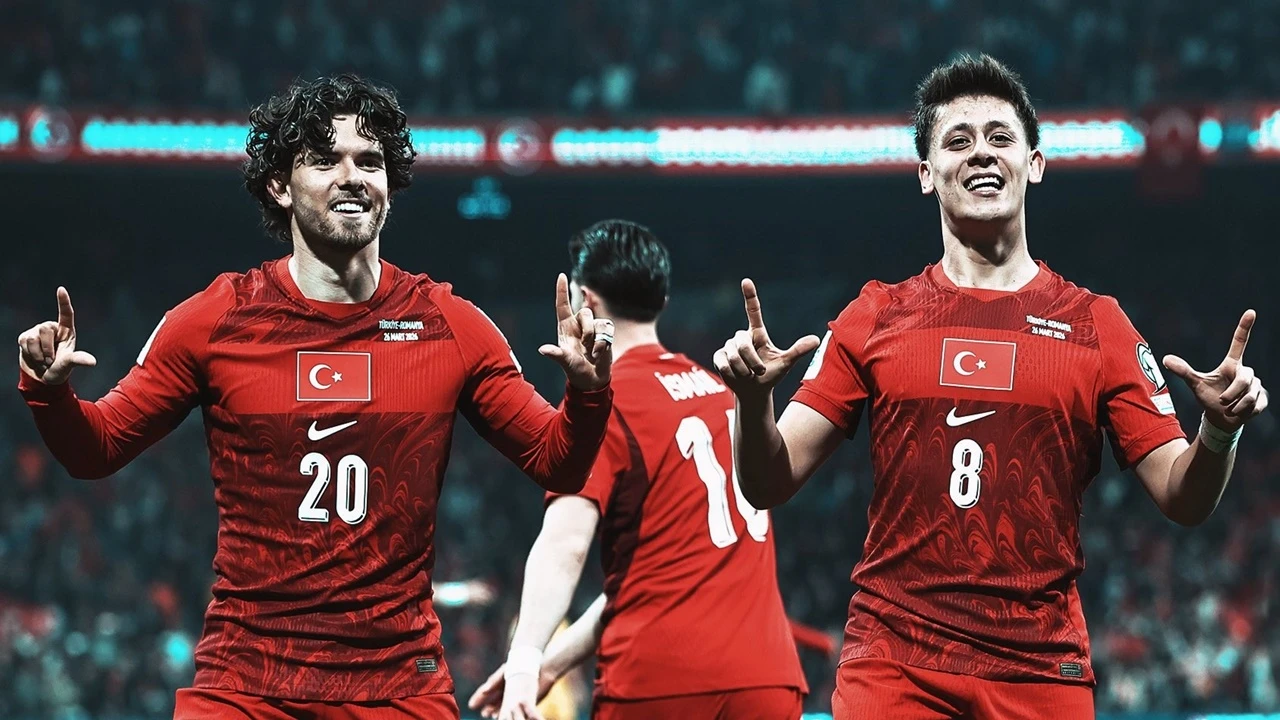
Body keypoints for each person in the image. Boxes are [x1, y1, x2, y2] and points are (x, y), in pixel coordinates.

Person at [15, 74, 615, 720]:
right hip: (246, 686)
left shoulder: (451, 327)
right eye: (326, 160)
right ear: (280, 184)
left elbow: (557, 463)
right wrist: (50, 394)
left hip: (397, 686)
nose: (352, 177)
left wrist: (587, 392)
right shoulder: (215, 319)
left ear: (390, 184)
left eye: (370, 161)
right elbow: (97, 448)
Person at [712, 54, 1269, 720]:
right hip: (895, 666)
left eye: (1000, 137)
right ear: (926, 174)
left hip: (1041, 669)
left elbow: (1184, 498)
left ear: (1034, 163)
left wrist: (1219, 430)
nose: (981, 152)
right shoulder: (874, 315)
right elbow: (767, 483)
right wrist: (753, 401)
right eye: (958, 140)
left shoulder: (1098, 326)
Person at [469, 220, 807, 720]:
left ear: (585, 300)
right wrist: (552, 665)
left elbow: (566, 544)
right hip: (767, 679)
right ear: (661, 300)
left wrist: (523, 662)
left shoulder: (603, 402)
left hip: (661, 680)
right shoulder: (722, 390)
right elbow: (647, 579)